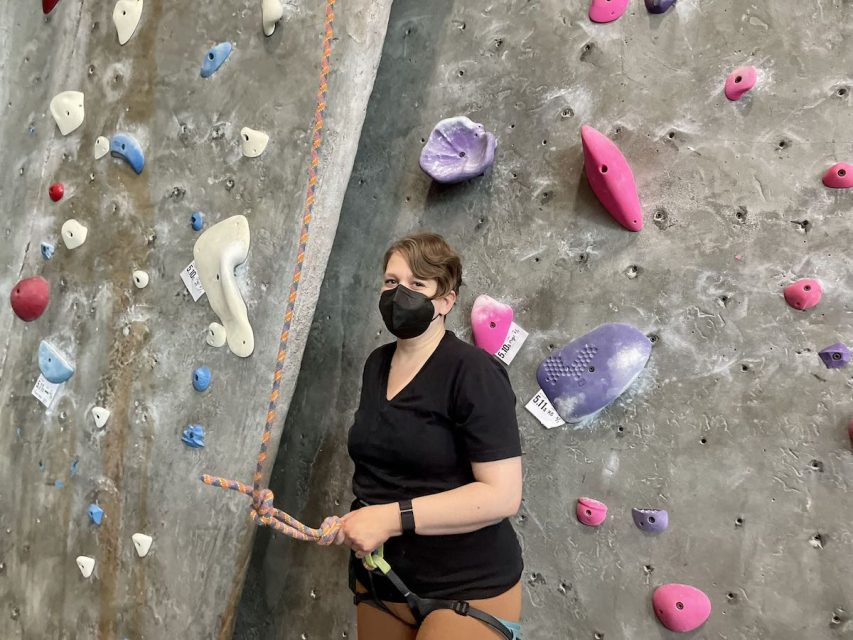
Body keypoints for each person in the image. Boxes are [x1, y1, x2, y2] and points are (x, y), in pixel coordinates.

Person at [335, 232, 525, 639]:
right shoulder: (377, 365)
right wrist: (358, 519)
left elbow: (502, 496)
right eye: (391, 282)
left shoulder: (473, 372)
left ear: (446, 301)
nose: (398, 293)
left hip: (467, 585)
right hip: (384, 579)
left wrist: (388, 518)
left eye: (417, 284)